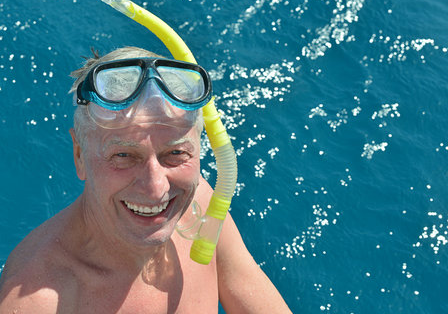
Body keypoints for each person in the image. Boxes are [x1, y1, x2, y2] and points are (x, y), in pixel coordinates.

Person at [0, 47, 291, 313]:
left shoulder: (201, 206)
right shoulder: (41, 302)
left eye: (175, 153)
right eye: (124, 156)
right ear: (79, 155)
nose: (156, 189)